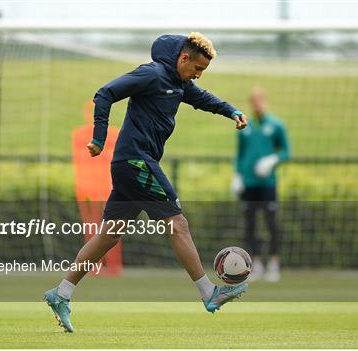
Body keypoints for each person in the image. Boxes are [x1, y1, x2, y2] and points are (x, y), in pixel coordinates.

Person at [44, 32, 249, 332]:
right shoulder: (151, 74)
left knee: (108, 236)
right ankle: (209, 293)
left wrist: (231, 110)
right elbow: (105, 93)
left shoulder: (179, 84)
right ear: (184, 58)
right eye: (197, 69)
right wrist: (99, 138)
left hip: (130, 165)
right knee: (178, 224)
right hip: (136, 162)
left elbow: (204, 99)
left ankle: (60, 293)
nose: (198, 75)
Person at [232, 86, 290, 283]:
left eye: (260, 101)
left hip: (267, 183)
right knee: (250, 225)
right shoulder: (244, 127)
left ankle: (274, 263)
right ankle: (255, 263)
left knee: (271, 223)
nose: (257, 105)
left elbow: (286, 152)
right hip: (248, 184)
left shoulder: (276, 125)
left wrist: (273, 160)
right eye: (254, 101)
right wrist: (237, 176)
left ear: (265, 101)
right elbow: (239, 155)